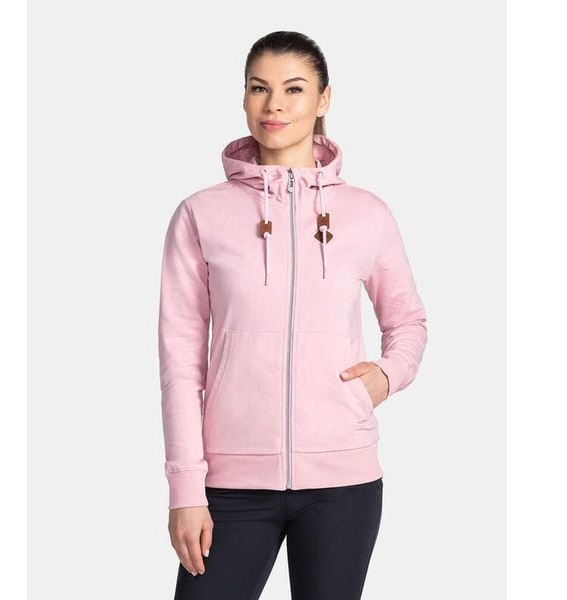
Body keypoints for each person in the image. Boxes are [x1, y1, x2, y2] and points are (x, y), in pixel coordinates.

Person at [158, 30, 428, 600]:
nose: (274, 105)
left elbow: (408, 321)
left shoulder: (366, 213)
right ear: (244, 97)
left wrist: (386, 376)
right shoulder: (201, 214)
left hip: (344, 483)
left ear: (324, 98)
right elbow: (181, 362)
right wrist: (185, 487)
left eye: (294, 88)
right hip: (230, 484)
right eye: (259, 88)